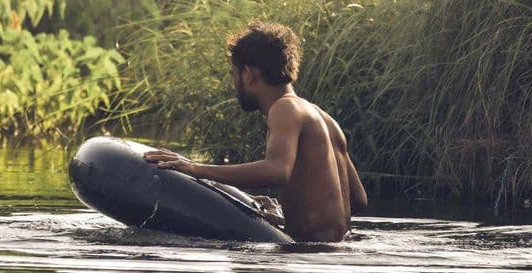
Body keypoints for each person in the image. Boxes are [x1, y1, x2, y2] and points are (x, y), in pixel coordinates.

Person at [144, 22, 367, 242]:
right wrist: (286, 215)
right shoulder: (324, 118)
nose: (235, 84)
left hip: (308, 258)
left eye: (234, 75)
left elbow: (277, 171)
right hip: (332, 255)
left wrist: (194, 168)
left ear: (249, 74)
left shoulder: (284, 108)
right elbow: (358, 200)